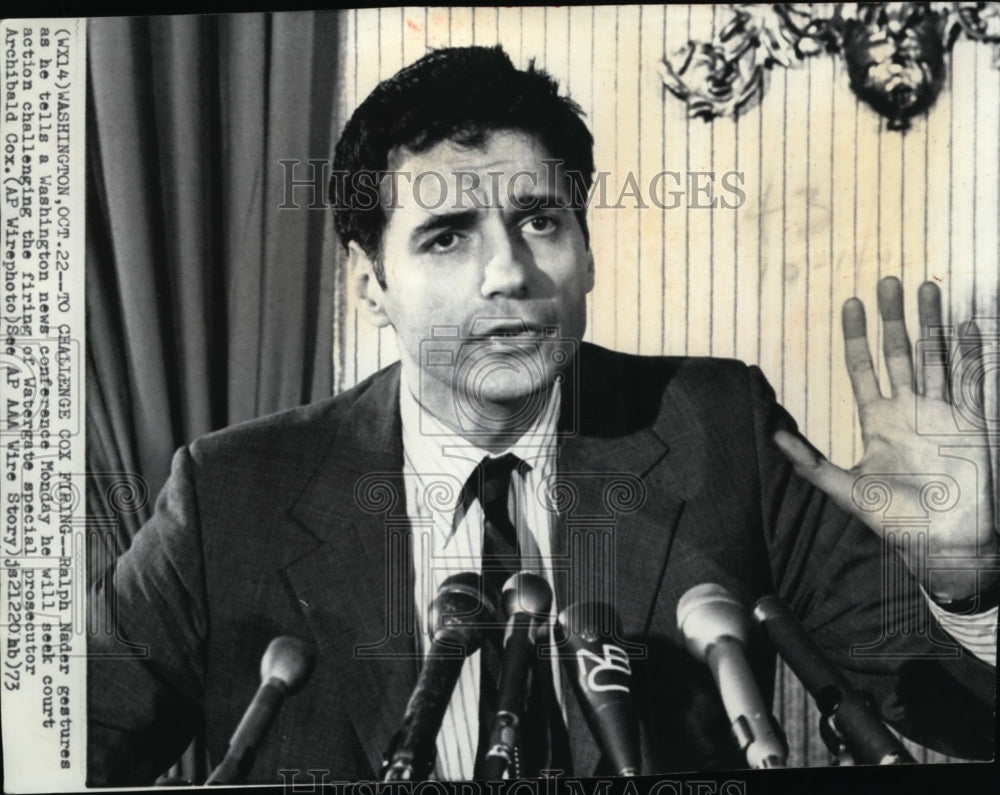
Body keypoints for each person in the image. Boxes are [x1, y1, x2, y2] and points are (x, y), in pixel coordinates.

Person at [87, 45, 997, 785]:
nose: (508, 273)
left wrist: (968, 584)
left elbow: (963, 715)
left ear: (588, 252)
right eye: (448, 236)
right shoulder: (230, 494)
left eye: (539, 220)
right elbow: (64, 750)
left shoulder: (718, 428)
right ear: (373, 287)